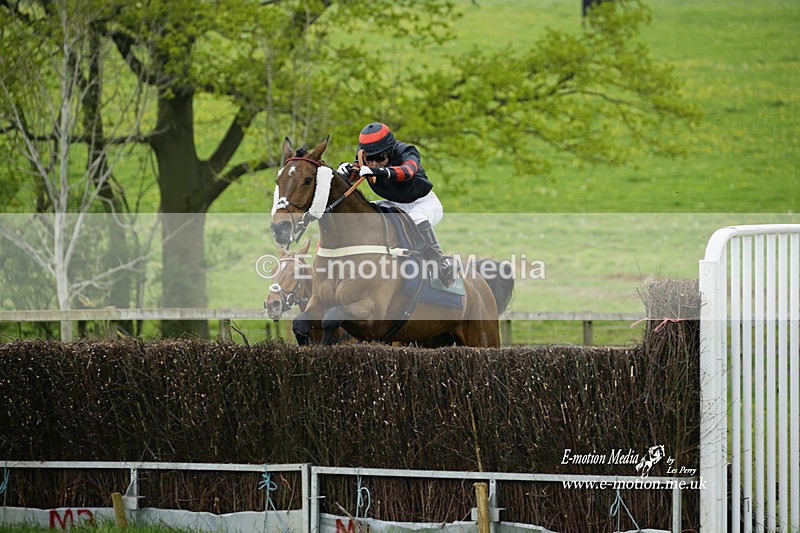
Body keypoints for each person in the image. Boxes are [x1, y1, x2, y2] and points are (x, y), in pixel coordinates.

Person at [337, 122, 454, 287]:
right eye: (370, 160)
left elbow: (408, 171)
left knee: (416, 218)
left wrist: (382, 172)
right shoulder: (366, 160)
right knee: (364, 213)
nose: (374, 163)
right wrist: (344, 172)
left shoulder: (407, 151)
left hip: (423, 203)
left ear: (390, 152)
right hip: (394, 204)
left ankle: (441, 263)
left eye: (379, 158)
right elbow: (353, 176)